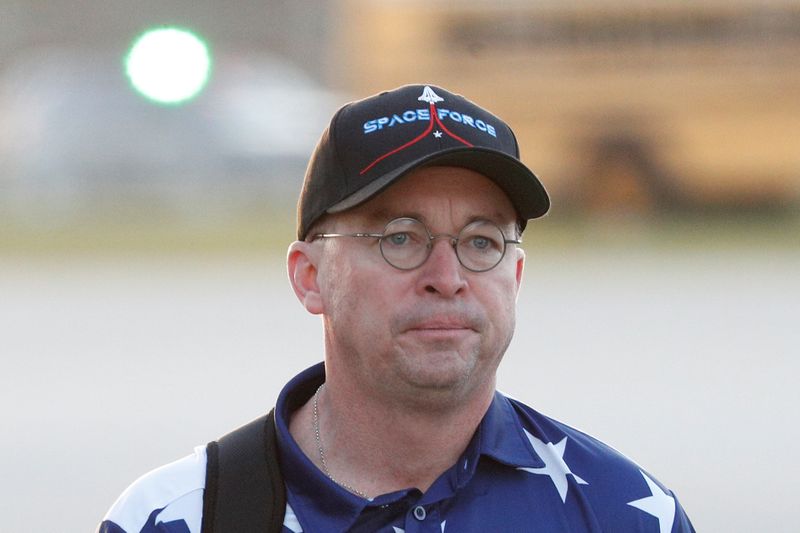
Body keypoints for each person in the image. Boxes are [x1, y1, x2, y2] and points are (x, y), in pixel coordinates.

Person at [98, 84, 695, 532]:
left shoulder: (626, 513)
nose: (448, 278)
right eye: (400, 238)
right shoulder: (183, 516)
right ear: (310, 277)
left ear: (515, 276)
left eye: (481, 241)